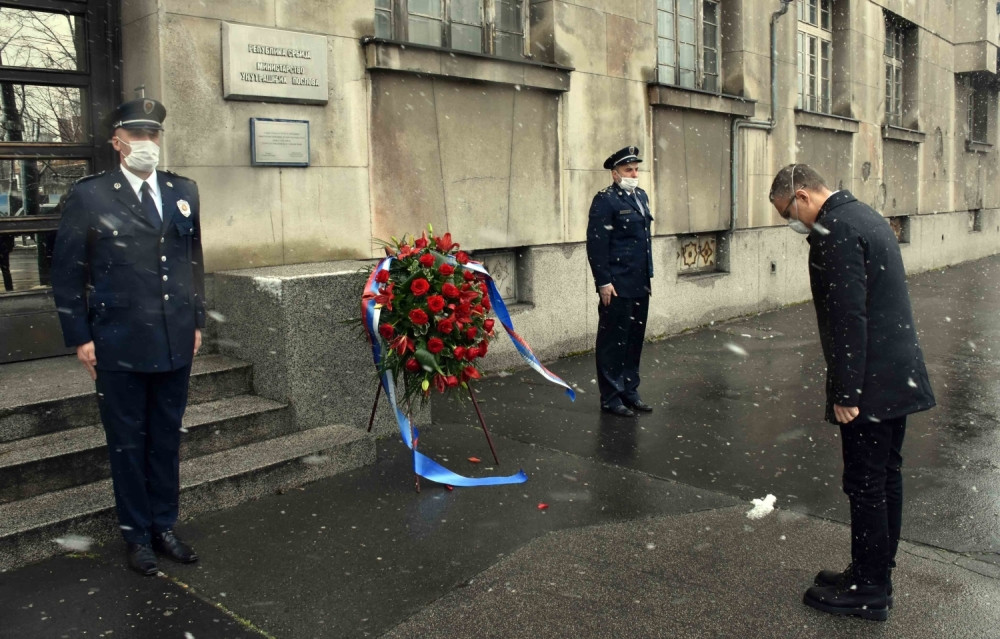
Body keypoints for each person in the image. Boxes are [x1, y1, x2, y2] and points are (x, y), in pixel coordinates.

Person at [768, 164, 935, 621]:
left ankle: (869, 589)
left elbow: (848, 318)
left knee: (865, 484)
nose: (792, 223)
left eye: (788, 213)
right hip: (896, 373)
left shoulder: (834, 230)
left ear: (802, 196)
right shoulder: (865, 215)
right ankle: (873, 570)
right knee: (886, 477)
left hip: (870, 381)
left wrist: (846, 391)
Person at [51, 98, 206, 576]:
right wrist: (80, 335)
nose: (146, 143)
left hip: (173, 337)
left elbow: (192, 262)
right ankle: (136, 535)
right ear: (117, 142)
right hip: (117, 340)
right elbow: (67, 271)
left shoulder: (183, 190)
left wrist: (197, 321)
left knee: (164, 439)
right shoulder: (91, 195)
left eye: (152, 134)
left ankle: (163, 526)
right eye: (136, 134)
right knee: (126, 442)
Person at [586, 146, 654, 418]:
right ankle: (611, 397)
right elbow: (597, 243)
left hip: (639, 281)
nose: (634, 174)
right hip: (616, 284)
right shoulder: (605, 200)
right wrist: (603, 281)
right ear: (615, 174)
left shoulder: (641, 196)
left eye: (636, 169)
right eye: (628, 170)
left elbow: (643, 242)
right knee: (613, 341)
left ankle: (629, 390)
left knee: (633, 340)